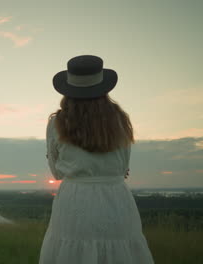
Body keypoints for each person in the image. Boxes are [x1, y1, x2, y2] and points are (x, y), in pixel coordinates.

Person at [39, 55, 155, 264]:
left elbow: (57, 173)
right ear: (104, 87)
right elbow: (123, 168)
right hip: (115, 198)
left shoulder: (57, 123)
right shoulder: (121, 120)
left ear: (68, 90)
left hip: (74, 200)